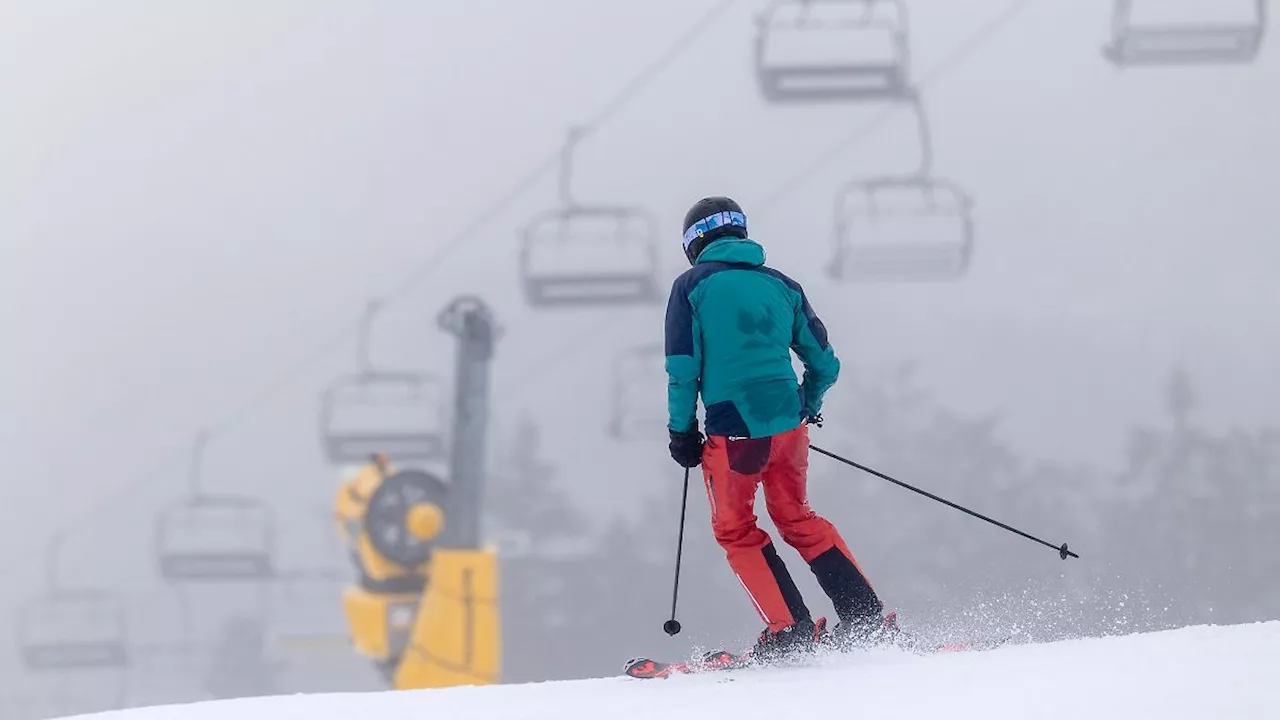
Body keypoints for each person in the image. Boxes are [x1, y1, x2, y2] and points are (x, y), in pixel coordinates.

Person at [664, 196, 891, 660]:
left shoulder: (690, 287)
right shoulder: (784, 286)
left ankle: (790, 630)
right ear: (741, 233)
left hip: (735, 434)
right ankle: (865, 618)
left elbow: (684, 368)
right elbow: (825, 363)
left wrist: (682, 432)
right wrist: (806, 404)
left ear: (693, 244)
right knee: (795, 516)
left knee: (736, 529)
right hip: (790, 429)